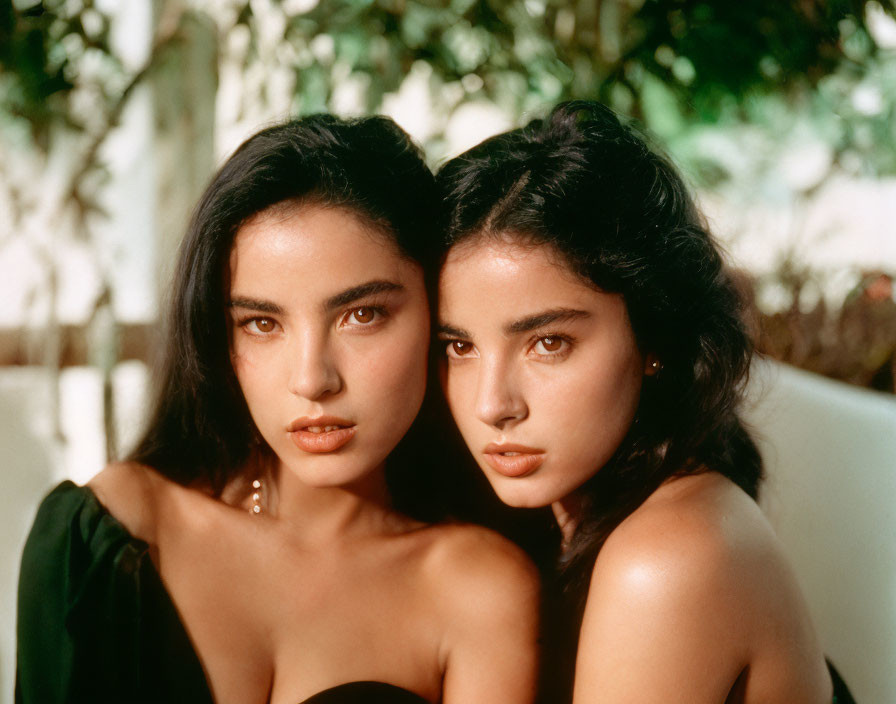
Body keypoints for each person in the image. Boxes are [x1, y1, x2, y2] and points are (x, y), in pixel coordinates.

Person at [16, 114, 539, 704]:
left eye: (362, 314)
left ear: (436, 314)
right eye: (262, 323)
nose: (312, 379)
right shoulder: (114, 533)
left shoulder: (474, 589)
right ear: (221, 338)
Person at [435, 101, 852, 703]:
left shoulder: (669, 559)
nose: (491, 404)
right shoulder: (564, 528)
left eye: (548, 343)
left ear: (655, 338)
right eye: (459, 346)